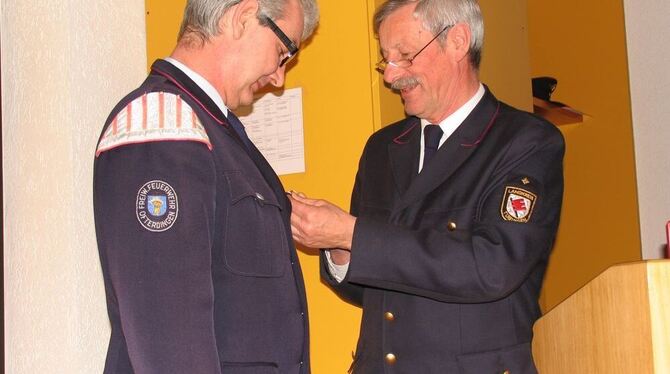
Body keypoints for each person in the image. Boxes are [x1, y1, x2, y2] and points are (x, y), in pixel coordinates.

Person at [289, 0, 564, 372]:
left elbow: (493, 265)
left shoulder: (524, 141)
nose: (390, 76)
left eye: (405, 55)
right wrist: (339, 249)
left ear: (458, 41)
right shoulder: (382, 148)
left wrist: (352, 233)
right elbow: (374, 290)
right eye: (386, 60)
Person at [93, 0, 318, 372]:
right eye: (282, 52)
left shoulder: (213, 126)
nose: (279, 77)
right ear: (242, 16)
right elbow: (169, 338)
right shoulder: (163, 126)